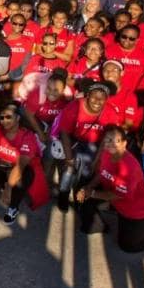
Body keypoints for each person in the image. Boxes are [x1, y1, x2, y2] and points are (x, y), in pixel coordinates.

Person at [76, 126, 144, 253]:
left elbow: (116, 195)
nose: (111, 143)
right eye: (107, 140)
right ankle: (97, 226)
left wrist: (91, 193)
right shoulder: (106, 153)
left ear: (125, 144)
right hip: (121, 207)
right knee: (84, 195)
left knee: (128, 246)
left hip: (140, 213)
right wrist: (88, 187)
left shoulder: (129, 167)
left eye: (116, 140)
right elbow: (101, 173)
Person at [0, 101, 44, 225]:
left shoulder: (28, 137)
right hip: (0, 165)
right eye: (2, 117)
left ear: (18, 118)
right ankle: (3, 184)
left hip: (18, 168)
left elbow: (20, 166)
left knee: (20, 181)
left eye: (8, 117)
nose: (4, 120)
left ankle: (13, 207)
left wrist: (9, 189)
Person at [55, 81, 121, 211]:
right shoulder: (74, 107)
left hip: (96, 145)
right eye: (94, 96)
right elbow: (64, 133)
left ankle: (79, 197)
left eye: (102, 98)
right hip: (74, 141)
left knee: (86, 172)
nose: (97, 101)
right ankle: (63, 195)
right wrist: (69, 159)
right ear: (88, 95)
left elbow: (107, 140)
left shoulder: (111, 113)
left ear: (106, 99)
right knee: (69, 170)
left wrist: (97, 160)